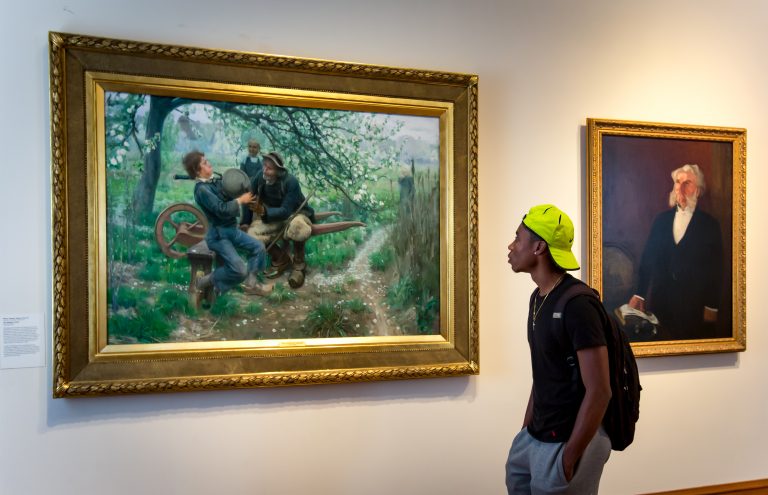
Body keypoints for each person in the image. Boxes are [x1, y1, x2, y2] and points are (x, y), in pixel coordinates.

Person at [506, 204, 612, 495]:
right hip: (535, 437)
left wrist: (569, 457)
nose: (511, 246)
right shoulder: (538, 298)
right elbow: (545, 372)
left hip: (567, 440)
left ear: (539, 247)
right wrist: (525, 432)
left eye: (518, 238)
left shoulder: (578, 305)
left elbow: (600, 391)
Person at [627, 164, 723, 340]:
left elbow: (716, 270)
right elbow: (648, 260)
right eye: (678, 182)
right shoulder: (661, 221)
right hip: (661, 303)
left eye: (687, 183)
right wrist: (639, 294)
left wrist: (712, 307)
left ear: (698, 191)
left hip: (695, 306)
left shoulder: (710, 225)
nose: (681, 187)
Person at [182, 150, 272, 303]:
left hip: (231, 230)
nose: (209, 163)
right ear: (197, 171)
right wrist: (240, 200)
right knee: (240, 270)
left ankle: (252, 285)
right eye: (204, 163)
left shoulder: (214, 181)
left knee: (259, 248)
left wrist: (239, 186)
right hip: (218, 236)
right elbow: (221, 209)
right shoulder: (202, 190)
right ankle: (203, 281)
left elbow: (229, 191)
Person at [242, 151, 315, 288]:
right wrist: (245, 222)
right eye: (264, 166)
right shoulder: (260, 177)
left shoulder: (290, 182)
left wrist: (264, 211)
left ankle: (298, 266)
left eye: (269, 168)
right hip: (274, 216)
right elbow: (249, 198)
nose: (265, 170)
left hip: (296, 213)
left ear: (279, 171)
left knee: (297, 227)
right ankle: (281, 258)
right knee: (252, 234)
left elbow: (286, 210)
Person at [239, 139, 264, 219]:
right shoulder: (244, 160)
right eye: (250, 147)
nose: (252, 149)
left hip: (258, 190)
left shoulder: (261, 161)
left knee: (256, 209)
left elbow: (262, 175)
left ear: (258, 149)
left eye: (254, 147)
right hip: (246, 188)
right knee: (246, 208)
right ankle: (245, 222)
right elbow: (242, 174)